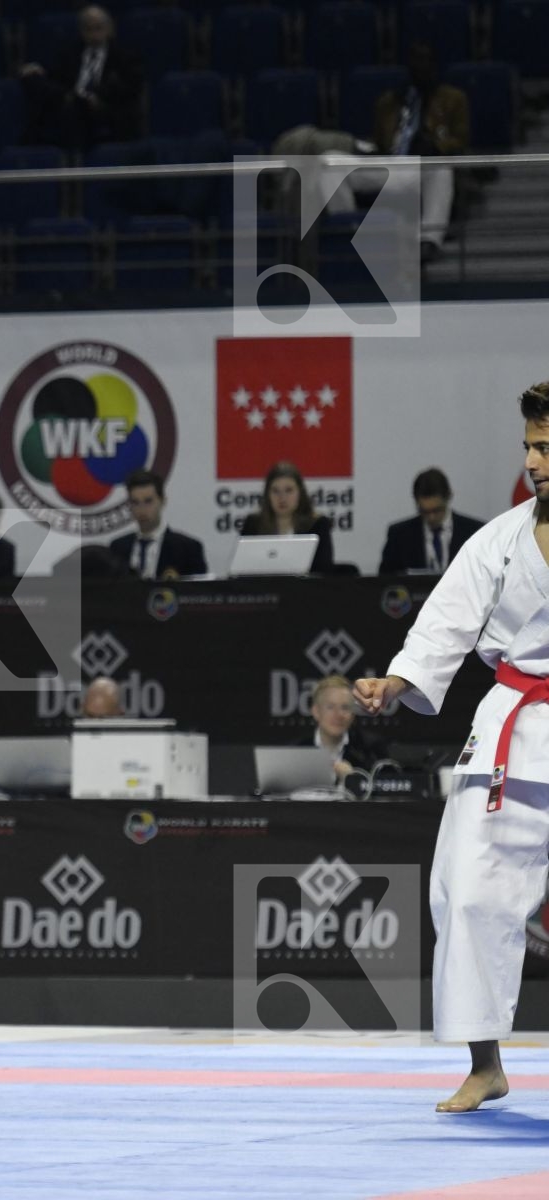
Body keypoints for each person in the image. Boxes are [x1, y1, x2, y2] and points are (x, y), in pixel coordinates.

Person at [354, 379, 549, 1115]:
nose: (532, 461)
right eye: (528, 446)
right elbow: (445, 622)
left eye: (545, 447)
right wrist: (398, 680)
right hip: (513, 731)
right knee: (465, 889)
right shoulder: (498, 540)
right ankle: (485, 1063)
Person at [374, 42, 468, 259]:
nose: (420, 66)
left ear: (435, 65)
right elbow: (379, 140)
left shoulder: (453, 99)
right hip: (389, 166)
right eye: (415, 60)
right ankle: (346, 228)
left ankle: (428, 241)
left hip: (423, 167)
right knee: (331, 162)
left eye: (425, 60)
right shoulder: (390, 101)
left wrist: (436, 145)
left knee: (441, 169)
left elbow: (461, 140)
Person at [20, 5, 142, 152]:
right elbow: (56, 76)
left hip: (103, 107)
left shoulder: (123, 57)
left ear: (109, 29)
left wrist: (99, 97)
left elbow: (130, 87)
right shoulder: (70, 53)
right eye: (89, 29)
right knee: (34, 81)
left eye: (98, 28)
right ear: (82, 31)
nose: (94, 35)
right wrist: (39, 70)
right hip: (71, 103)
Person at [379, 468, 484, 575]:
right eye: (424, 511)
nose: (431, 517)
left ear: (448, 497)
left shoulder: (475, 532)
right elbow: (385, 579)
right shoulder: (399, 536)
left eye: (437, 510)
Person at [108, 469, 208, 579]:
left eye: (148, 501)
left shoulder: (188, 549)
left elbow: (198, 589)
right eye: (135, 502)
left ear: (162, 501)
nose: (142, 509)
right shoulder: (117, 548)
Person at [240, 461, 335, 573]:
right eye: (275, 491)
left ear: (300, 493)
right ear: (267, 494)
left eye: (289, 490)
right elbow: (241, 570)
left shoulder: (318, 525)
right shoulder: (253, 524)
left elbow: (324, 572)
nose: (282, 498)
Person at [300, 674, 386, 781]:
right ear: (316, 711)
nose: (338, 715)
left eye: (345, 707)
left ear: (353, 715)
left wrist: (352, 780)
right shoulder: (296, 751)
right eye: (330, 707)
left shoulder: (371, 751)